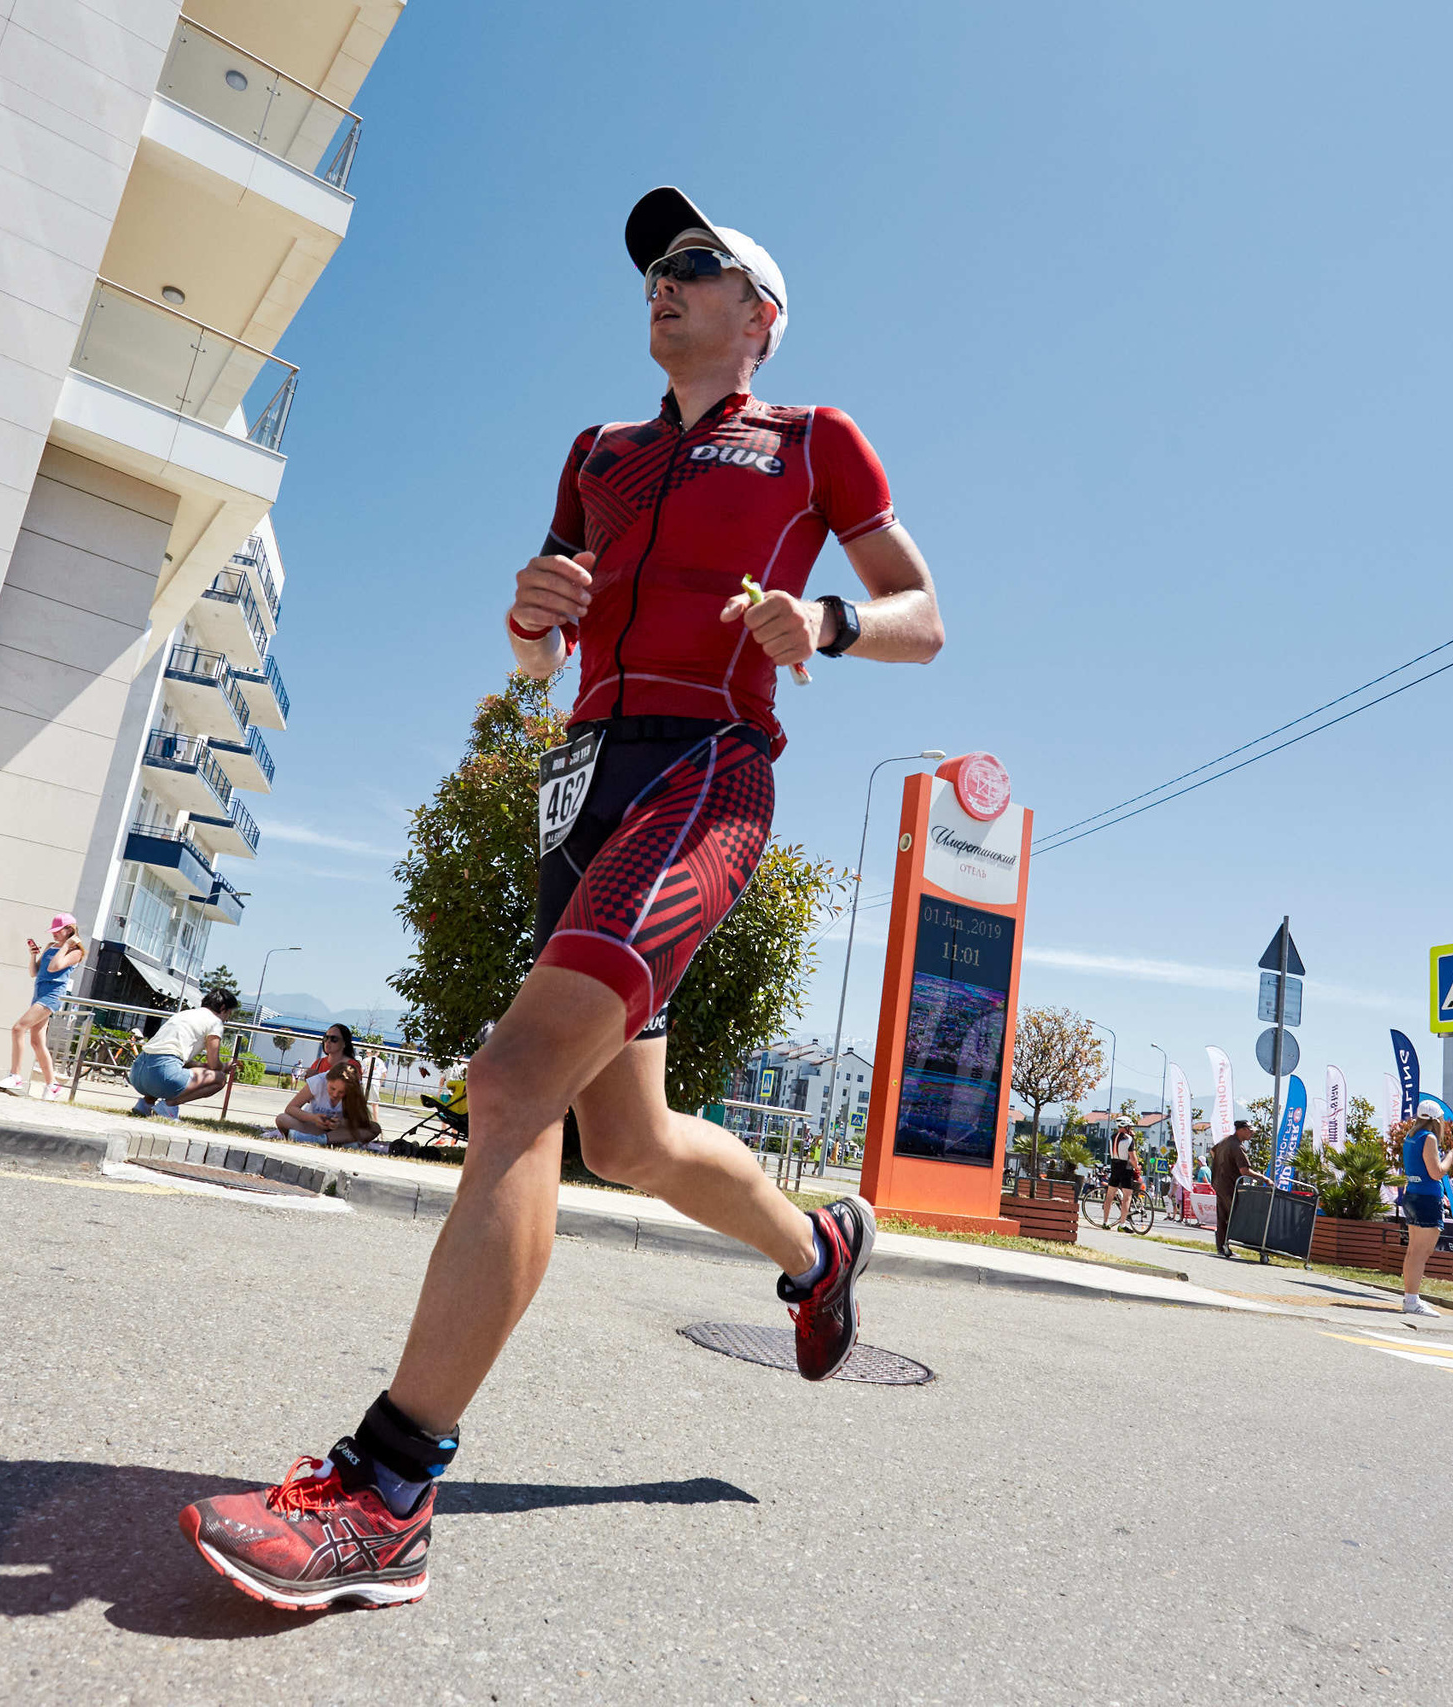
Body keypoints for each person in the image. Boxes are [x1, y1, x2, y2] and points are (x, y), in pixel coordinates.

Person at [176, 185, 948, 1614]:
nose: (664, 279)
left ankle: (387, 1489)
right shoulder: (596, 451)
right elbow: (535, 656)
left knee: (515, 1076)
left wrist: (827, 622)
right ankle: (817, 1244)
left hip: (709, 769)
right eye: (656, 264)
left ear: (758, 317)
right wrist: (530, 617)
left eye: (697, 263)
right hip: (584, 780)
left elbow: (925, 611)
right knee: (629, 1133)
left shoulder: (811, 441)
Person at [0, 915, 87, 1098]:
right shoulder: (51, 947)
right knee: (37, 1042)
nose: (55, 935)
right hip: (39, 995)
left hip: (51, 997)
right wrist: (33, 954)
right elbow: (35, 972)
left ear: (69, 930)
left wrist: (66, 946)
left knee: (18, 1028)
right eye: (54, 931)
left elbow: (54, 967)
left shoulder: (75, 952)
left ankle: (15, 1076)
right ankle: (53, 1085)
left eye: (58, 931)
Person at [1396, 1116, 1453, 1318]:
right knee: (1421, 1252)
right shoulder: (1429, 1137)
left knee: (1414, 1250)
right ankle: (1412, 1300)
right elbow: (1437, 1172)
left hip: (1413, 1195)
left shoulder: (1410, 1136)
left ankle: (1411, 1298)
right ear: (1436, 1121)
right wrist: (1452, 1154)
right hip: (1427, 1198)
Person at [128, 988, 240, 1118]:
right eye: (229, 1013)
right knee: (219, 1079)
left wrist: (203, 1066)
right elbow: (214, 1064)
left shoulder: (183, 1014)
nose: (227, 1018)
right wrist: (225, 1067)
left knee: (173, 1067)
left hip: (137, 1073)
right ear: (223, 1007)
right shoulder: (215, 1022)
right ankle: (168, 1107)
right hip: (160, 1076)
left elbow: (178, 1059)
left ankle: (145, 1104)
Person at [277, 1057, 379, 1146]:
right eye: (332, 1088)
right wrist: (313, 1118)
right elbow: (290, 1108)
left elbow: (361, 1121)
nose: (335, 1095)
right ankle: (335, 1142)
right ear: (327, 1080)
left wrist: (340, 1123)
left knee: (374, 1128)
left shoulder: (355, 1090)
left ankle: (319, 1140)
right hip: (313, 1127)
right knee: (282, 1119)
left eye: (341, 1092)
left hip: (339, 1131)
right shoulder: (318, 1081)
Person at [1207, 1119, 1255, 1257]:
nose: (1251, 1133)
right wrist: (1264, 1179)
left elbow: (1213, 1151)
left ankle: (1221, 1247)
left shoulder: (1226, 1141)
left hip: (1219, 1183)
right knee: (1230, 1217)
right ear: (1241, 1130)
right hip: (1229, 1186)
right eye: (1249, 1130)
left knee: (1222, 1217)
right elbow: (1244, 1171)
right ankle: (1224, 1247)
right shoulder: (1236, 1146)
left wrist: (1222, 1166)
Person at [1104, 1118, 1145, 1231]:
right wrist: (1137, 1167)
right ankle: (1122, 1225)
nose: (1130, 1129)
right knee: (1127, 1197)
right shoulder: (1129, 1139)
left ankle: (1105, 1222)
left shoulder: (1112, 1137)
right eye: (1129, 1127)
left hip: (1114, 1166)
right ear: (1126, 1127)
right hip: (1126, 1169)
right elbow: (1132, 1158)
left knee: (1109, 1196)